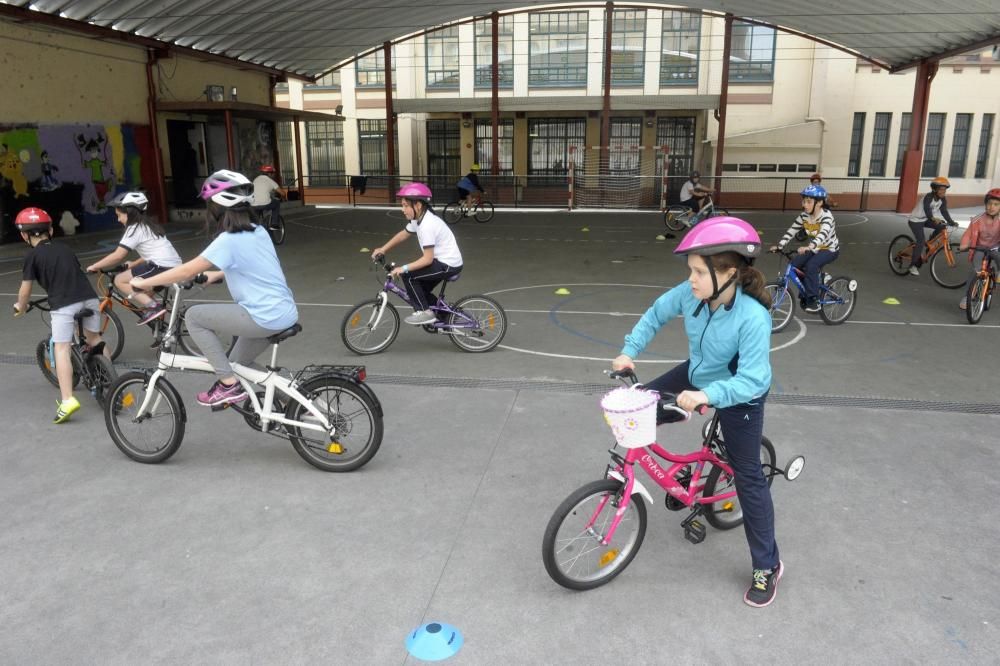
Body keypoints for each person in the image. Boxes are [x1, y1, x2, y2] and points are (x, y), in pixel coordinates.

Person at [611, 216, 782, 608]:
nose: (691, 279)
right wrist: (628, 352)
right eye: (690, 270)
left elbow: (754, 380)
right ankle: (679, 469)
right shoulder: (693, 296)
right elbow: (656, 312)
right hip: (699, 374)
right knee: (639, 409)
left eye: (699, 272)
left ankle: (767, 566)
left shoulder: (753, 317)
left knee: (748, 479)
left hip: (740, 394)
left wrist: (707, 394)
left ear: (729, 274)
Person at [130, 170, 299, 407]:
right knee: (239, 364)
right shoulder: (256, 230)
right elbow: (250, 263)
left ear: (218, 206)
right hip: (284, 311)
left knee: (194, 317)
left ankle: (227, 385)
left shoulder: (229, 239)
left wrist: (142, 282)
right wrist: (215, 275)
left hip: (263, 316)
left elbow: (186, 270)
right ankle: (297, 404)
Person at [13, 207, 106, 423]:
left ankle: (67, 401)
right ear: (51, 231)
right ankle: (112, 383)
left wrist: (21, 306)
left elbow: (25, 289)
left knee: (62, 347)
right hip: (89, 298)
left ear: (24, 235)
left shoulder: (32, 256)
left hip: (64, 305)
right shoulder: (65, 248)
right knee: (95, 339)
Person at [85, 191, 182, 326]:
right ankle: (162, 332)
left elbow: (118, 255)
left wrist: (95, 266)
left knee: (120, 280)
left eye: (119, 215)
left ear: (129, 212)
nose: (118, 219)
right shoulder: (149, 225)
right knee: (145, 295)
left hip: (161, 267)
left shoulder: (134, 229)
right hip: (173, 266)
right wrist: (134, 263)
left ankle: (154, 307)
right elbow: (153, 252)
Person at [372, 182, 463, 325]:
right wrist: (383, 249)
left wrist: (403, 268)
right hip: (442, 261)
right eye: (402, 205)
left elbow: (427, 259)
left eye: (405, 205)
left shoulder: (427, 225)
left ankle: (425, 313)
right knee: (419, 292)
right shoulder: (419, 219)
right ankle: (446, 316)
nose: (403, 209)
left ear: (418, 205)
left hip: (448, 264)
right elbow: (403, 234)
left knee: (409, 276)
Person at [770, 184, 840, 313]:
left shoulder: (827, 217)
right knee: (794, 264)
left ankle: (813, 299)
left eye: (808, 202)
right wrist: (780, 245)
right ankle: (812, 286)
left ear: (819, 203)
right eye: (804, 201)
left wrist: (810, 246)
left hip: (829, 249)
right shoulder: (804, 216)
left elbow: (822, 235)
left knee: (811, 266)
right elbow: (792, 230)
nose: (804, 205)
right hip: (814, 248)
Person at [957, 188, 1000, 310]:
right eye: (989, 203)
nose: (992, 207)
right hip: (980, 247)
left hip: (995, 248)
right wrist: (964, 244)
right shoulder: (977, 219)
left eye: (996, 204)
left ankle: (996, 276)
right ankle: (967, 297)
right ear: (985, 204)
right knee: (975, 271)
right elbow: (968, 234)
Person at [906, 176, 957, 276]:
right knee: (920, 241)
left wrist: (951, 222)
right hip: (915, 221)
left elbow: (944, 211)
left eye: (945, 190)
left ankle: (930, 242)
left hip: (925, 220)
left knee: (942, 226)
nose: (943, 192)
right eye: (941, 189)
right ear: (934, 189)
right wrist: (933, 218)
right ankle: (912, 266)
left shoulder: (943, 199)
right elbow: (927, 209)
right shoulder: (929, 197)